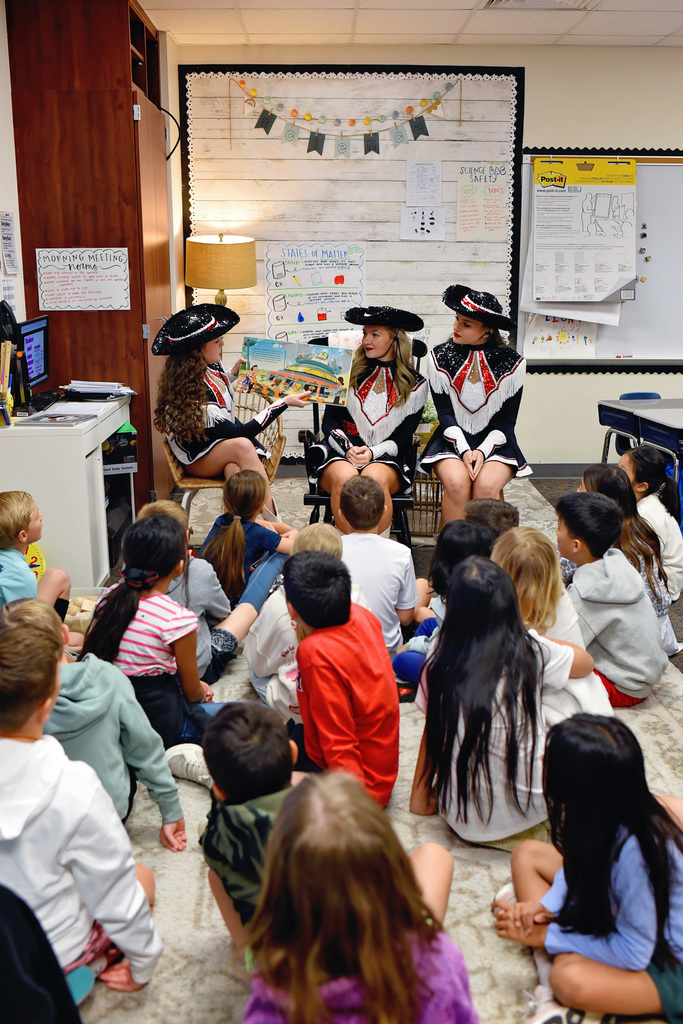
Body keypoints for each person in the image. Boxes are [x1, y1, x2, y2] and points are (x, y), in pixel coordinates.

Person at [0, 599, 162, 994]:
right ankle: (86, 965)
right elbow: (116, 894)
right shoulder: (74, 786)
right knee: (142, 878)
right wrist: (144, 962)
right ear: (47, 701)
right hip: (50, 952)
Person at [493, 715, 683, 1024]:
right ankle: (555, 964)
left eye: (550, 760)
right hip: (620, 911)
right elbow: (575, 866)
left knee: (569, 979)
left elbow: (635, 951)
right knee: (527, 854)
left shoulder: (637, 853)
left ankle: (555, 997)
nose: (541, 760)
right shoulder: (601, 809)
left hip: (667, 959)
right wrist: (545, 909)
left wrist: (548, 935)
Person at [244, 773, 477, 1024]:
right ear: (392, 866)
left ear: (279, 888)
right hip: (405, 951)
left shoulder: (274, 989)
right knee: (435, 855)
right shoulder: (440, 960)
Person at [410, 557, 594, 845]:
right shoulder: (529, 649)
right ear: (510, 606)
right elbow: (586, 664)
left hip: (458, 816)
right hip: (526, 814)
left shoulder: (437, 655)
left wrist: (420, 794)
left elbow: (432, 728)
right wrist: (536, 636)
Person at [79, 515, 254, 748]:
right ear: (179, 565)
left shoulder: (107, 601)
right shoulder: (178, 620)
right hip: (156, 727)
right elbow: (193, 695)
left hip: (109, 721)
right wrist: (195, 690)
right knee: (256, 720)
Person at [26, 598, 186, 851]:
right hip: (110, 809)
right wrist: (171, 809)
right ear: (65, 633)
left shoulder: (14, 702)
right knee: (127, 742)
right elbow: (145, 749)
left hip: (46, 821)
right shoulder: (109, 676)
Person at [152, 303, 307, 515]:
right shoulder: (195, 397)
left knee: (235, 472)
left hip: (216, 446)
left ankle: (241, 529)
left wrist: (233, 373)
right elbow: (239, 433)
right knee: (243, 446)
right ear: (197, 351)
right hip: (198, 457)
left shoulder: (203, 369)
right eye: (217, 341)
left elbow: (217, 389)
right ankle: (274, 525)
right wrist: (283, 402)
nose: (222, 343)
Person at [284, 551, 399, 807]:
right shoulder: (361, 614)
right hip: (379, 764)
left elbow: (339, 742)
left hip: (359, 785)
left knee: (251, 780)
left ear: (291, 608)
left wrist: (357, 810)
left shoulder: (315, 652)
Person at [310, 305, 428, 535]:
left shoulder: (415, 384)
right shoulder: (346, 372)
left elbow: (404, 436)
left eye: (375, 334)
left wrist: (372, 454)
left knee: (373, 478)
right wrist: (349, 449)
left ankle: (373, 550)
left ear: (395, 340)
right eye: (365, 333)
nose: (366, 340)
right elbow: (330, 422)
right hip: (341, 451)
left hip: (386, 457)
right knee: (345, 478)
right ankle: (348, 550)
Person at [199, 702, 300, 956]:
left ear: (218, 791)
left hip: (285, 979)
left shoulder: (219, 837)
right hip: (375, 964)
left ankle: (251, 959)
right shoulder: (341, 804)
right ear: (293, 752)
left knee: (216, 875)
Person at [422, 285, 529, 523]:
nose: (456, 327)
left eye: (466, 324)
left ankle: (490, 554)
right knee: (459, 484)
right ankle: (454, 553)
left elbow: (507, 421)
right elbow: (445, 412)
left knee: (486, 487)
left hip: (496, 439)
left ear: (489, 330)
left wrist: (481, 451)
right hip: (451, 439)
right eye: (457, 319)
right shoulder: (438, 356)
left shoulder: (513, 363)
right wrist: (464, 449)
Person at [243, 522, 368, 717]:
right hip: (344, 699)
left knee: (253, 669)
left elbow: (257, 660)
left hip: (295, 706)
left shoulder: (280, 602)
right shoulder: (357, 598)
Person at [491, 527, 612, 726]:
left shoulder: (558, 600)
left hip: (565, 697)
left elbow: (583, 664)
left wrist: (536, 645)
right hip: (567, 689)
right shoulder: (555, 595)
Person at [556, 492, 667, 707]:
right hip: (643, 672)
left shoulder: (587, 594)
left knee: (548, 677)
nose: (556, 532)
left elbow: (565, 646)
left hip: (624, 685)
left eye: (559, 527)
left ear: (576, 545)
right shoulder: (617, 564)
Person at [579, 463, 679, 655]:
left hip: (638, 634)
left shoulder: (605, 537)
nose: (576, 491)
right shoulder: (635, 521)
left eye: (582, 488)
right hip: (656, 625)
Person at [137, 500, 235, 683]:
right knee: (244, 610)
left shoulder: (126, 578)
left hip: (142, 681)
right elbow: (222, 614)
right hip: (194, 675)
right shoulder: (198, 571)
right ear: (186, 536)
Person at [393, 521, 495, 690]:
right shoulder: (481, 584)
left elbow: (444, 647)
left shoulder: (461, 600)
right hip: (462, 647)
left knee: (401, 661)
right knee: (428, 624)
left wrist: (411, 646)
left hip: (464, 665)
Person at [338, 475, 418, 656]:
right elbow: (405, 618)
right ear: (384, 511)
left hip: (340, 649)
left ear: (341, 514)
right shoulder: (402, 553)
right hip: (385, 651)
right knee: (422, 586)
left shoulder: (329, 550)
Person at [200, 469, 297, 611]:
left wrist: (285, 532)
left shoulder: (222, 520)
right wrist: (293, 533)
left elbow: (260, 524)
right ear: (263, 507)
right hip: (236, 607)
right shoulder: (259, 534)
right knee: (280, 554)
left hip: (208, 601)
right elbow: (300, 547)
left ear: (226, 503)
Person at [0, 491, 82, 649]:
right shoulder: (21, 576)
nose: (42, 517)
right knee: (79, 643)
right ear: (23, 535)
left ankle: (55, 639)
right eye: (37, 516)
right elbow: (24, 633)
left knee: (58, 576)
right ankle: (54, 648)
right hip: (10, 647)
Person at [619, 445, 683, 601]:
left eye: (622, 472)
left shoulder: (646, 514)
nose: (615, 475)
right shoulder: (639, 502)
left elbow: (638, 562)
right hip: (651, 574)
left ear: (642, 486)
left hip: (662, 587)